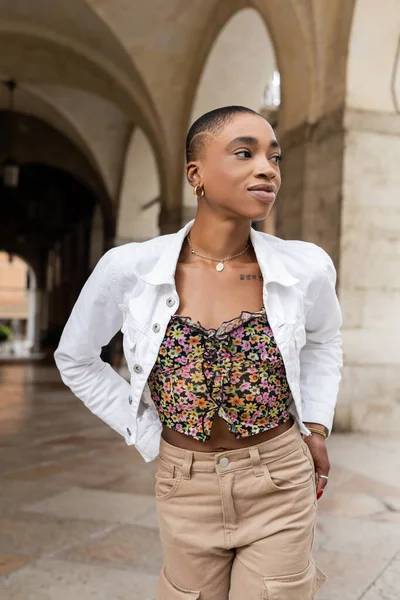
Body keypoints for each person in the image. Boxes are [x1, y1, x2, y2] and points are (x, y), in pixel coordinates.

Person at [54, 106, 342, 599]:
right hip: (183, 487)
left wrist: (315, 424)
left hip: (279, 478)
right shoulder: (128, 269)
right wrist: (146, 432)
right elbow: (75, 358)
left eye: (274, 156)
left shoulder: (306, 267)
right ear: (196, 174)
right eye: (245, 153)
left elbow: (323, 341)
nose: (267, 168)